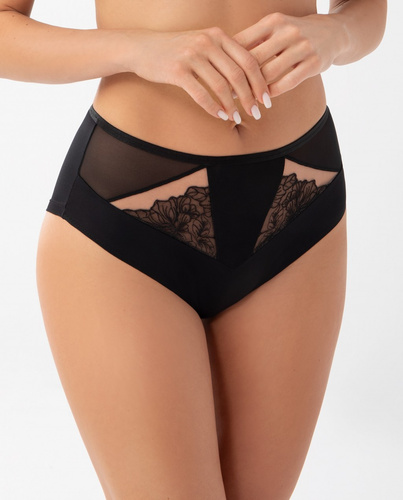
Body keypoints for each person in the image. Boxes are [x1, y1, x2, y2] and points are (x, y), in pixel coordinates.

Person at [0, 0, 387, 498]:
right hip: (128, 219)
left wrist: (337, 34)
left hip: (300, 199)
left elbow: (366, 10)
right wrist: (137, 49)